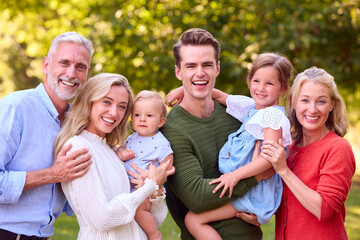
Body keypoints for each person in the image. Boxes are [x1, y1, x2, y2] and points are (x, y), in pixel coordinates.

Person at [160, 28, 267, 239]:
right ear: (178, 72)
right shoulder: (173, 130)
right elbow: (198, 197)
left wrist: (263, 210)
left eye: (207, 65)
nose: (200, 72)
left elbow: (274, 138)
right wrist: (255, 176)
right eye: (191, 66)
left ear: (217, 68)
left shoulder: (236, 115)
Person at [183, 52, 293, 240]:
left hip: (252, 193)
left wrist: (235, 175)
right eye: (256, 81)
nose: (261, 88)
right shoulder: (251, 108)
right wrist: (182, 92)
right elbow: (218, 95)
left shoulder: (272, 116)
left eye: (269, 84)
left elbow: (269, 159)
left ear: (282, 88)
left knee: (193, 220)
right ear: (249, 80)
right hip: (245, 187)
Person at [54, 73, 175, 240]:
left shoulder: (114, 151)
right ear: (89, 101)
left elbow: (155, 218)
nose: (114, 112)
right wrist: (150, 185)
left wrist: (154, 190)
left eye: (122, 106)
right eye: (106, 102)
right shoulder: (79, 147)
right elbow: (102, 219)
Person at [0, 31, 93, 239]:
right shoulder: (15, 108)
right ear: (46, 65)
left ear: (86, 74)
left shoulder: (75, 123)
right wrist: (53, 174)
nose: (71, 74)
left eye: (80, 67)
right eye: (64, 63)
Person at [253, 66, 356, 239]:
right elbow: (288, 202)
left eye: (321, 101)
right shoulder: (289, 146)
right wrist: (260, 214)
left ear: (331, 105)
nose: (312, 109)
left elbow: (324, 210)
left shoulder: (338, 148)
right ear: (294, 102)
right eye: (305, 100)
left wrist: (283, 170)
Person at [117, 90, 174, 240]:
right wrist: (122, 152)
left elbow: (168, 163)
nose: (142, 119)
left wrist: (154, 175)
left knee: (138, 212)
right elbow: (121, 150)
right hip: (129, 188)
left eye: (149, 116)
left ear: (161, 121)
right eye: (137, 115)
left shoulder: (160, 142)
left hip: (144, 190)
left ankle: (154, 234)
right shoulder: (131, 138)